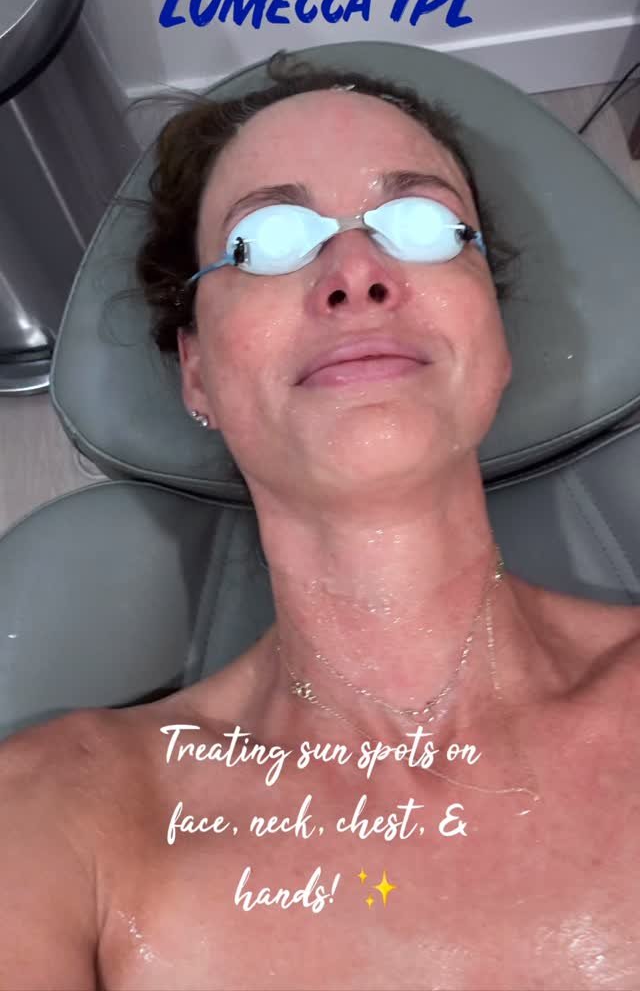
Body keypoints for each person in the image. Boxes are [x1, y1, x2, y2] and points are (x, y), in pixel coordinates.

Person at [2, 51, 640, 991]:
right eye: (267, 240)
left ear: (496, 338)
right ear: (197, 371)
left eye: (421, 225)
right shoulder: (57, 815)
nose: (357, 271)